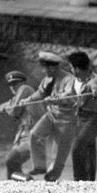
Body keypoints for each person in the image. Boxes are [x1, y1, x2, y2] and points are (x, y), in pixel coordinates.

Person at [26, 51, 79, 182]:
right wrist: (28, 100)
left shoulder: (69, 79)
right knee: (34, 134)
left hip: (66, 119)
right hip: (51, 114)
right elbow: (40, 93)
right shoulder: (47, 79)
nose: (45, 71)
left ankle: (52, 176)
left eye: (47, 69)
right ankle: (39, 166)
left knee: (61, 150)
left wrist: (56, 98)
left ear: (54, 67)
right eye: (44, 68)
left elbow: (69, 95)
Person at [0, 70, 46, 181]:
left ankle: (27, 181)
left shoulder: (25, 89)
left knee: (11, 159)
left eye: (15, 83)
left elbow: (14, 110)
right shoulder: (17, 98)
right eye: (10, 84)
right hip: (24, 135)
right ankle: (23, 182)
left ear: (23, 82)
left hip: (33, 135)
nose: (12, 87)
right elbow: (8, 104)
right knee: (12, 163)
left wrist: (3, 109)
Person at [68, 52, 97, 181]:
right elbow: (67, 94)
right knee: (88, 148)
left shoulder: (96, 80)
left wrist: (95, 93)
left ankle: (78, 179)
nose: (71, 70)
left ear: (77, 69)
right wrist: (55, 98)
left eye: (72, 67)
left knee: (78, 146)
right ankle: (89, 181)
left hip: (94, 118)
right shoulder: (75, 80)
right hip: (80, 118)